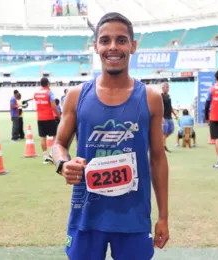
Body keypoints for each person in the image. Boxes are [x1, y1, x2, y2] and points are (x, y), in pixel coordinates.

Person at [52, 12, 169, 260]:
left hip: (134, 218)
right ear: (96, 46)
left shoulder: (151, 98)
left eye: (121, 40)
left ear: (133, 46)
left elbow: (158, 159)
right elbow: (59, 144)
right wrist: (63, 164)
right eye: (105, 40)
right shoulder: (76, 96)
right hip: (86, 215)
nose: (113, 47)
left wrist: (163, 217)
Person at [33, 77, 61, 164]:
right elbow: (53, 106)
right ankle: (52, 154)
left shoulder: (36, 93)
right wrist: (59, 115)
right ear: (48, 83)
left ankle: (45, 157)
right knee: (55, 136)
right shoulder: (50, 93)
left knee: (43, 138)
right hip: (49, 117)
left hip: (40, 118)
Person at [161, 82, 178, 153]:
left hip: (169, 117)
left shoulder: (168, 96)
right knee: (164, 133)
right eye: (166, 87)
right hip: (164, 117)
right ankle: (163, 147)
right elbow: (159, 107)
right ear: (163, 88)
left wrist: (174, 114)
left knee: (171, 130)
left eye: (168, 87)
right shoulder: (160, 96)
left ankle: (160, 141)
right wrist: (161, 117)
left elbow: (170, 106)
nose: (168, 89)